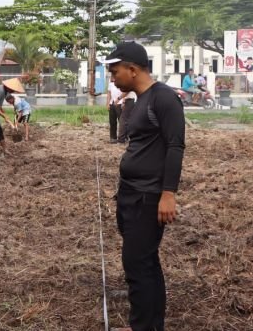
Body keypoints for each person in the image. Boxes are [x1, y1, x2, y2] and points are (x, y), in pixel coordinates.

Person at [103, 41, 185, 331]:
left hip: (149, 196)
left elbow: (175, 147)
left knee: (137, 264)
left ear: (133, 69)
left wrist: (168, 194)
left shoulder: (164, 99)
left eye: (115, 72)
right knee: (145, 263)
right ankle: (149, 326)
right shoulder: (139, 100)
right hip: (130, 193)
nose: (112, 78)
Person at [107, 77, 124, 143]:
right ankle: (113, 137)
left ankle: (123, 137)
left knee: (121, 121)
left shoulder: (122, 82)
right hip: (112, 103)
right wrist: (108, 103)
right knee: (112, 121)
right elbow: (109, 93)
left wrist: (123, 101)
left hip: (120, 103)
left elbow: (125, 92)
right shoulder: (111, 84)